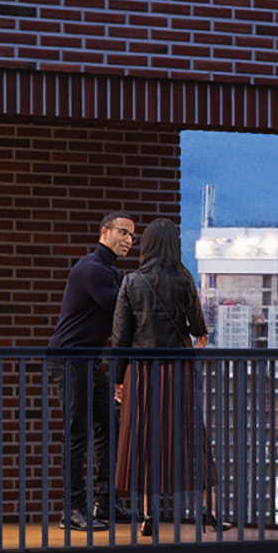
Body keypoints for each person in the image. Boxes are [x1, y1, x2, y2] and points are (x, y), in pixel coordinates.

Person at [107, 219, 217, 530]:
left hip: (141, 374)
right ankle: (207, 510)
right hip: (178, 373)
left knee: (144, 439)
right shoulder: (184, 279)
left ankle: (148, 514)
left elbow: (120, 337)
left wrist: (118, 379)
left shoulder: (131, 282)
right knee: (191, 436)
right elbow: (199, 329)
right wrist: (196, 344)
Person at [49, 210, 134, 524]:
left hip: (89, 359)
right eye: (123, 233)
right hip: (71, 359)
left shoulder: (109, 271)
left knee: (107, 429)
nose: (128, 240)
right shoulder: (93, 269)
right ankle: (73, 510)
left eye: (131, 236)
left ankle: (105, 504)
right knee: (77, 433)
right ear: (105, 232)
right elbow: (121, 309)